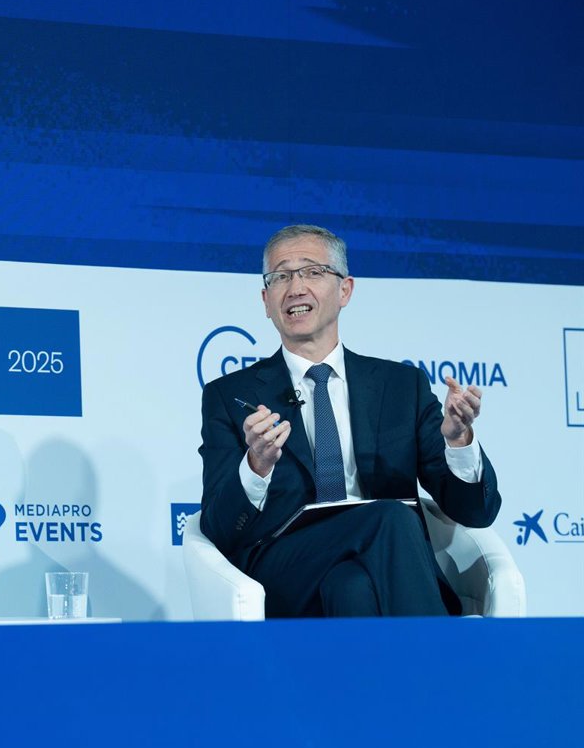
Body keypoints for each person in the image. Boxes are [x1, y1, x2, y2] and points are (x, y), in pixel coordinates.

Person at [198, 224, 500, 617]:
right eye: (281, 277)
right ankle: (435, 651)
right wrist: (255, 466)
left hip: (379, 564)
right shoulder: (230, 395)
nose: (295, 288)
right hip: (285, 570)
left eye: (312, 271)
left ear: (345, 290)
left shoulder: (401, 386)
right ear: (266, 300)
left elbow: (475, 512)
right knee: (391, 516)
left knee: (352, 586)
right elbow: (220, 528)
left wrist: (458, 442)